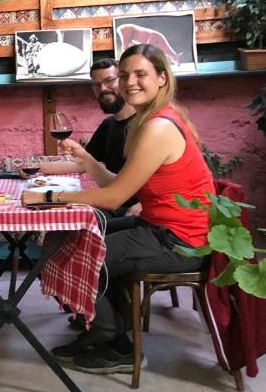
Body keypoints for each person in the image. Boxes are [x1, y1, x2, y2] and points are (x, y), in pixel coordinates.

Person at [21, 44, 214, 374]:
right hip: (160, 226)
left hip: (179, 240)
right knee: (74, 238)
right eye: (125, 75)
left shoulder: (157, 127)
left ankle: (117, 344)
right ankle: (104, 330)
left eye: (141, 74)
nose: (130, 82)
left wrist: (48, 199)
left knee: (84, 252)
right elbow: (121, 183)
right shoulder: (151, 119)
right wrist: (87, 162)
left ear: (162, 79)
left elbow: (113, 198)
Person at [40, 58, 140, 218]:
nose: (103, 89)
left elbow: (166, 176)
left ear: (124, 81)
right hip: (113, 204)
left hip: (135, 210)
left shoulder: (145, 125)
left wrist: (144, 204)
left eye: (109, 81)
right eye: (96, 85)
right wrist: (35, 167)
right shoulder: (108, 125)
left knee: (73, 226)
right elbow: (81, 164)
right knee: (64, 222)